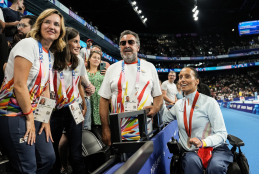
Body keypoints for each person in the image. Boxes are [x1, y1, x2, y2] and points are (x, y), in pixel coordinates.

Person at [0, 8, 66, 173]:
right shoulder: (28, 44)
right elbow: (19, 85)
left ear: (60, 31)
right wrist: (30, 118)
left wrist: (45, 120)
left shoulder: (49, 54)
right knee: (27, 166)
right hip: (14, 112)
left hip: (33, 114)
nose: (52, 26)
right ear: (39, 25)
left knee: (48, 158)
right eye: (47, 22)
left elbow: (45, 90)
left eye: (56, 24)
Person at [159, 67, 233, 174]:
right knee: (191, 163)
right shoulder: (179, 104)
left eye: (187, 76)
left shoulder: (209, 102)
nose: (182, 80)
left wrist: (203, 142)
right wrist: (159, 96)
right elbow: (164, 118)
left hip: (215, 148)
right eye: (180, 77)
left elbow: (222, 134)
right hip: (191, 151)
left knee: (215, 167)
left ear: (196, 81)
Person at [98, 30, 163, 145]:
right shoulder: (112, 69)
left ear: (137, 47)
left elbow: (158, 96)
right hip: (119, 130)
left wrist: (156, 107)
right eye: (123, 43)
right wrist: (105, 128)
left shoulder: (149, 67)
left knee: (145, 161)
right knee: (124, 161)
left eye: (130, 42)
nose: (126, 45)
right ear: (120, 47)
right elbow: (103, 100)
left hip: (146, 129)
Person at [50, 27, 87, 174]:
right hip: (54, 110)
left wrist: (83, 103)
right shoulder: (51, 59)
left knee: (76, 153)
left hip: (74, 109)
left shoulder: (79, 61)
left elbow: (78, 84)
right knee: (52, 153)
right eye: (75, 41)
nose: (79, 45)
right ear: (65, 42)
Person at [86, 50, 106, 136]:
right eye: (94, 57)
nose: (96, 60)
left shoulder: (104, 73)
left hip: (100, 104)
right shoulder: (84, 72)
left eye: (99, 58)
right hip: (88, 103)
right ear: (89, 59)